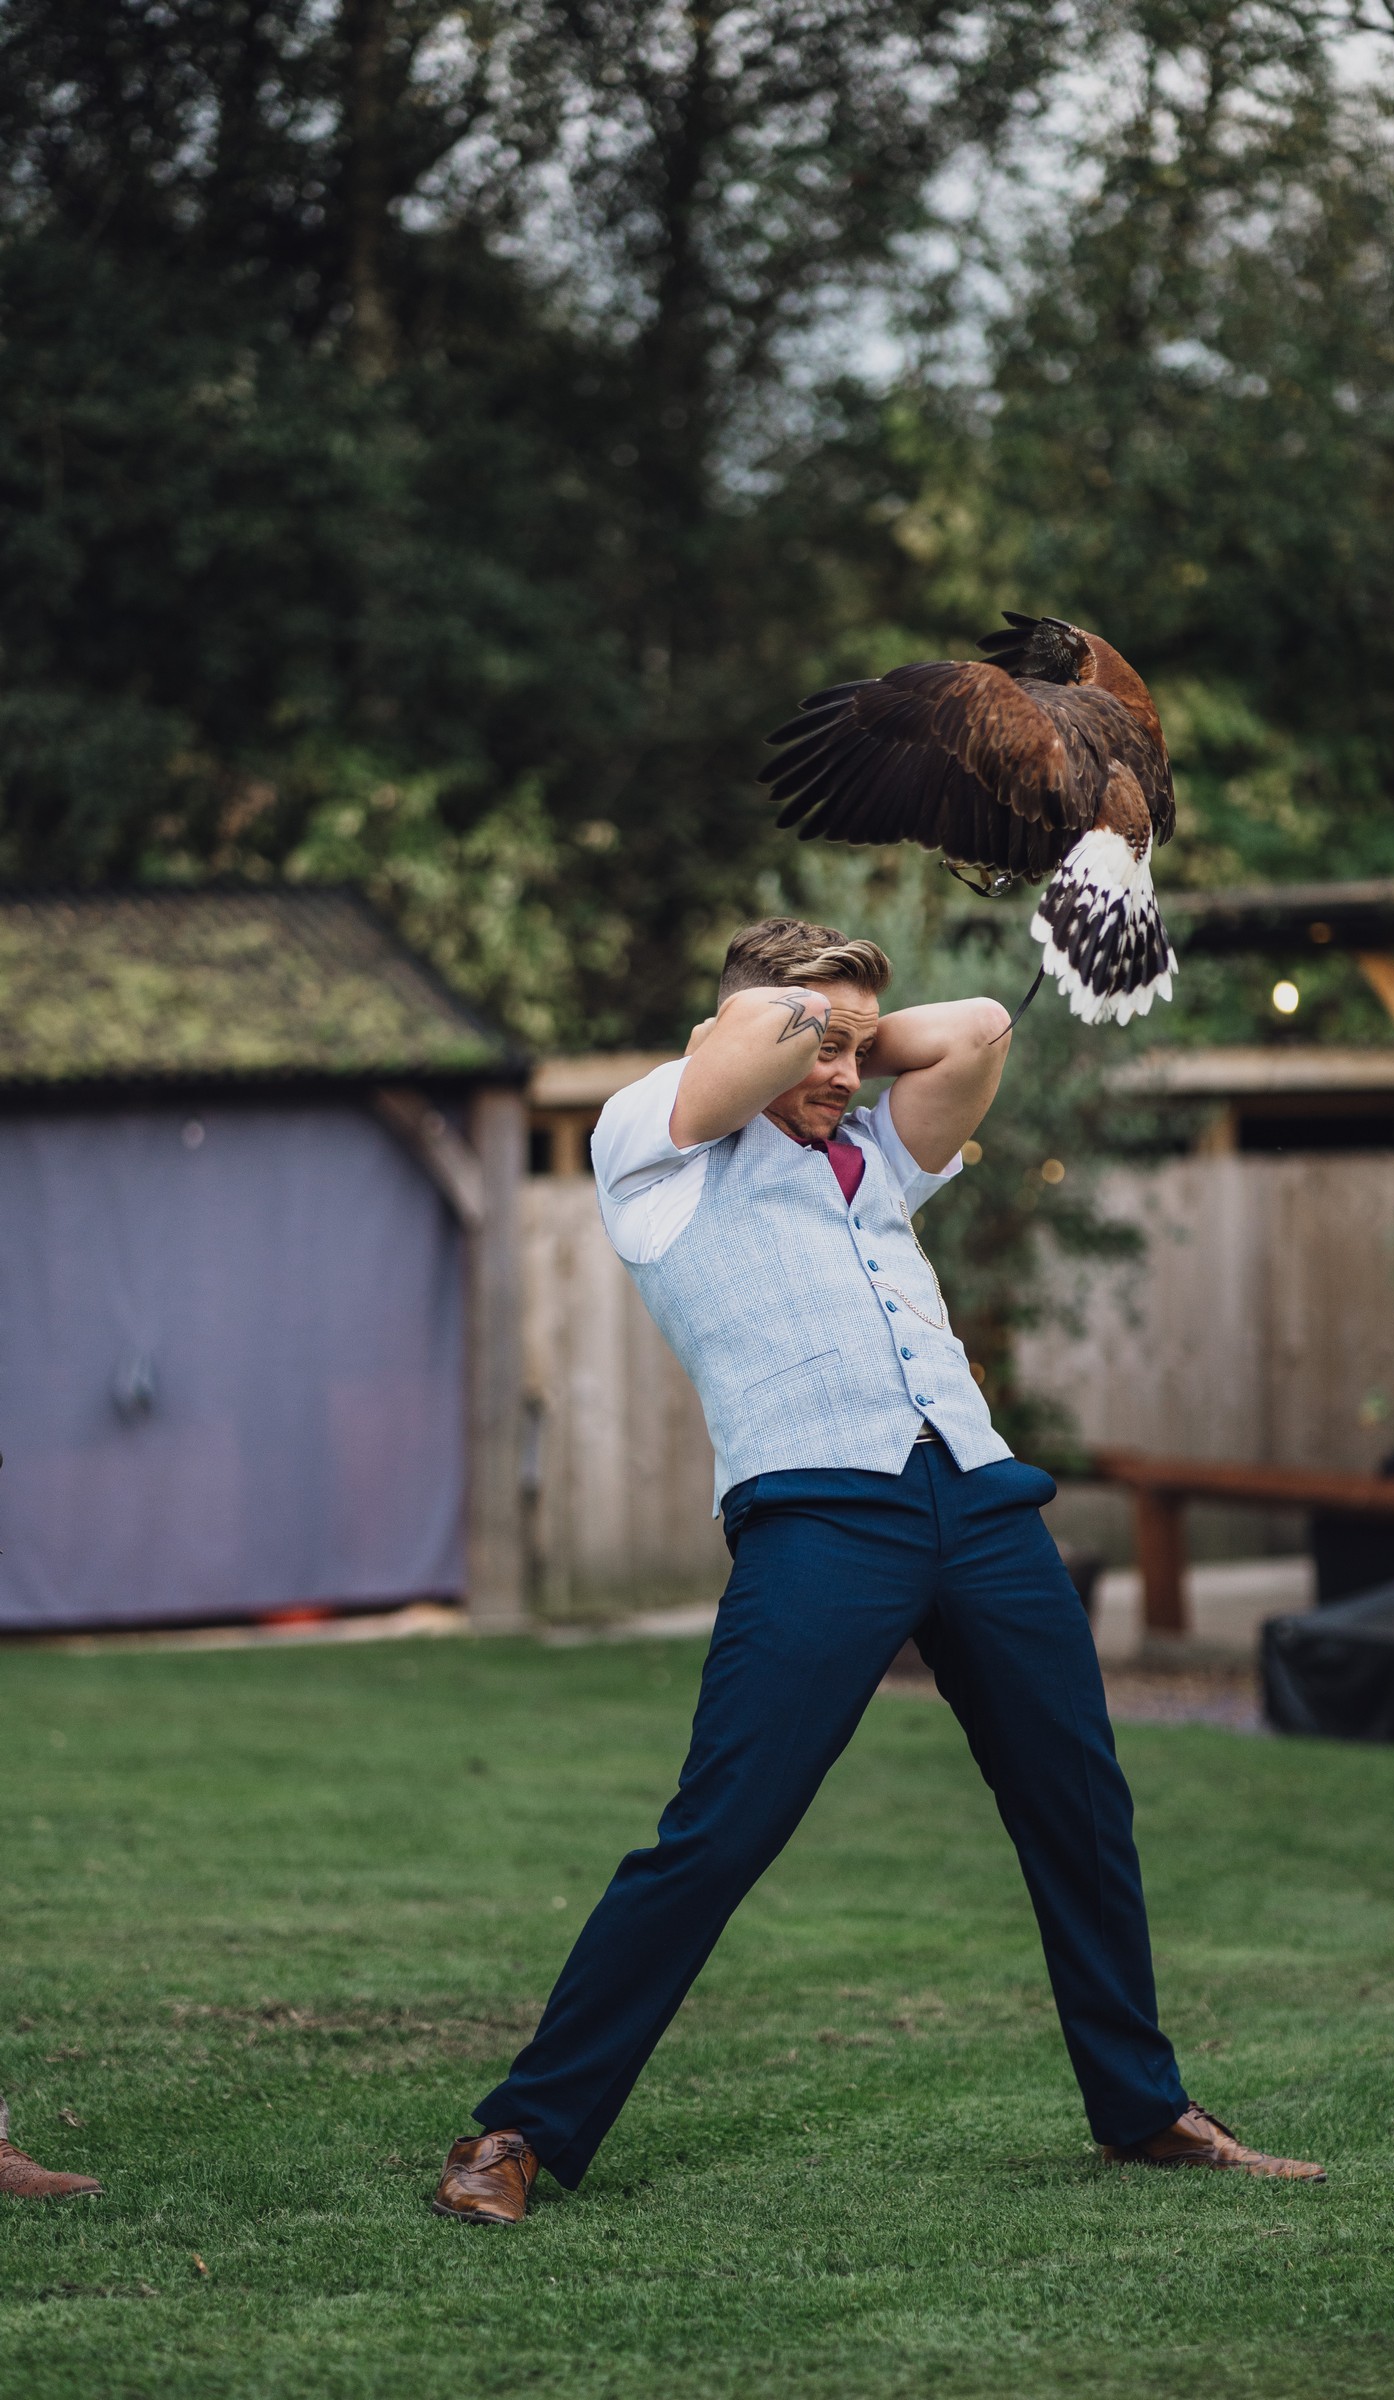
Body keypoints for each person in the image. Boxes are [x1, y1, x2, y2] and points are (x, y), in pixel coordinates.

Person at [433, 916, 1324, 2223]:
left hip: (979, 1500)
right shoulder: (651, 1148)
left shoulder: (873, 1158)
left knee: (1078, 1804)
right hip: (821, 1514)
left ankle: (1143, 2110)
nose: (847, 1073)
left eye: (861, 1048)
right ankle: (517, 2132)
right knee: (721, 1827)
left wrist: (850, 1031)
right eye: (820, 1043)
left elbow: (982, 1030)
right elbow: (752, 1045)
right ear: (726, 1033)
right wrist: (803, 1022)